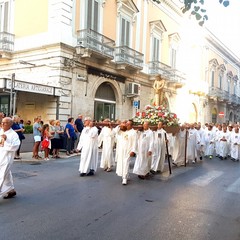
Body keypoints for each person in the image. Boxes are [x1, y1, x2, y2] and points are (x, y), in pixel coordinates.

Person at [0, 117, 20, 199]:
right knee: (6, 174)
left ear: (10, 124)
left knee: (1, 175)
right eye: (2, 122)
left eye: (5, 123)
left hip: (6, 158)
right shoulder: (0, 131)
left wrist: (6, 140)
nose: (3, 124)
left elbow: (15, 146)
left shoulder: (13, 134)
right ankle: (11, 190)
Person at [115, 120, 137, 185]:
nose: (127, 125)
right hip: (121, 150)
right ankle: (126, 175)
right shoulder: (123, 131)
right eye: (126, 124)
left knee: (126, 163)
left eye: (128, 124)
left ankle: (124, 178)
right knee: (121, 163)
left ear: (131, 125)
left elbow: (135, 142)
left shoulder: (133, 132)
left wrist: (133, 151)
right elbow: (115, 131)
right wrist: (120, 125)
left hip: (128, 150)